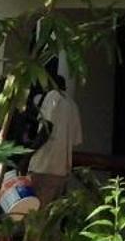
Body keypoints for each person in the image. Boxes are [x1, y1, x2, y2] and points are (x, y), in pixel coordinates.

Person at [28, 68, 83, 203]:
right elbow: (76, 140)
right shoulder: (73, 105)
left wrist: (26, 155)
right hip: (61, 171)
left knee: (33, 214)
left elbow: (46, 129)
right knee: (50, 217)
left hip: (42, 166)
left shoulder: (52, 96)